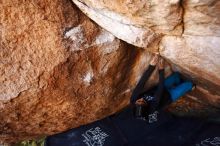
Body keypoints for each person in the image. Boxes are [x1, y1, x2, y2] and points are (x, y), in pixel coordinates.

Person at [45, 54, 220, 146]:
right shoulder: (150, 109)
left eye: (139, 102)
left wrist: (152, 65)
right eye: (141, 103)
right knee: (187, 84)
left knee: (175, 79)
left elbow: (143, 83)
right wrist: (160, 72)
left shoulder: (136, 98)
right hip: (165, 96)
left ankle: (179, 82)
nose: (140, 101)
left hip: (162, 89)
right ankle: (187, 86)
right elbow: (159, 93)